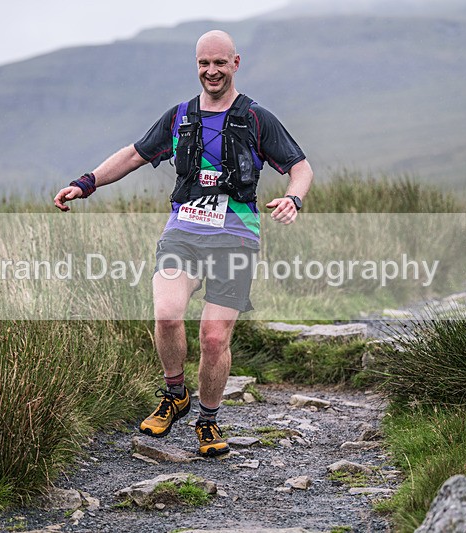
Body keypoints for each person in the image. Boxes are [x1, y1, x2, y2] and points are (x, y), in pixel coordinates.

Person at [54, 30, 313, 457]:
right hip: (184, 233)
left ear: (235, 63)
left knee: (214, 338)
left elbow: (299, 166)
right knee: (168, 314)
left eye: (220, 63)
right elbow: (133, 154)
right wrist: (85, 184)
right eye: (203, 63)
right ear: (197, 65)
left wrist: (293, 197)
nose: (211, 71)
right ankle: (176, 394)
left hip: (236, 238)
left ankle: (208, 421)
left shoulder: (256, 118)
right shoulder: (179, 117)